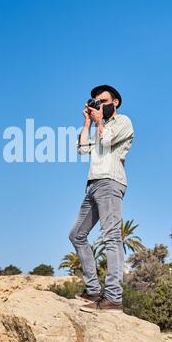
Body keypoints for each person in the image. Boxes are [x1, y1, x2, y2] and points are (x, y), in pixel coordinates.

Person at [69, 85, 134, 312]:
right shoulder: (99, 125)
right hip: (92, 184)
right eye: (96, 101)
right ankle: (94, 291)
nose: (100, 105)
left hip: (110, 181)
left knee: (111, 237)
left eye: (104, 101)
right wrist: (88, 123)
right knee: (77, 235)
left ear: (115, 102)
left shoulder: (123, 122)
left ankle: (113, 298)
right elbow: (82, 149)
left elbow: (106, 142)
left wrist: (98, 123)